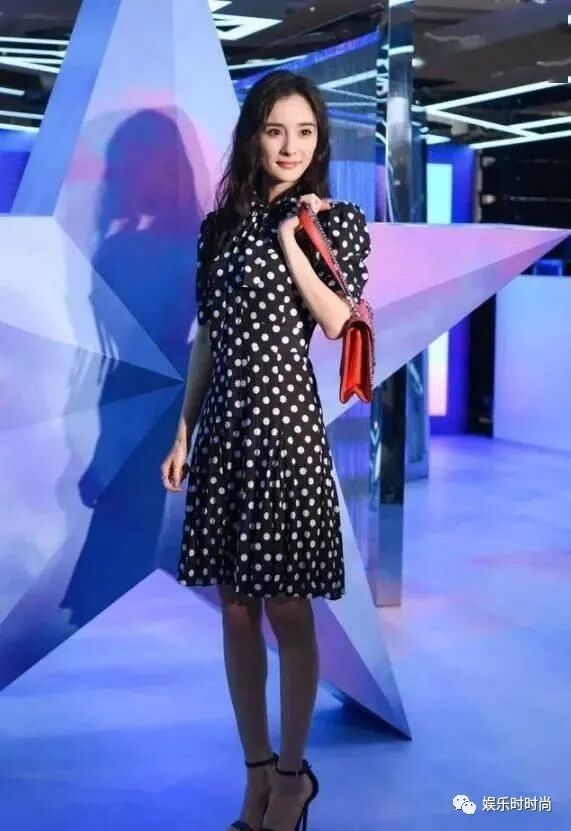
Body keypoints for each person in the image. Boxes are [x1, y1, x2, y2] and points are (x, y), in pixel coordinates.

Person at [160, 69, 371, 831]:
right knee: (234, 611)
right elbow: (208, 337)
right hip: (225, 432)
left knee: (287, 607)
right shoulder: (219, 227)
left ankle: (291, 778)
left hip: (285, 435)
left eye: (304, 132)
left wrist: (290, 236)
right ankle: (255, 774)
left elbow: (337, 321)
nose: (289, 146)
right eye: (275, 130)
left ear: (319, 142)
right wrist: (184, 427)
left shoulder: (335, 222)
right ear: (252, 135)